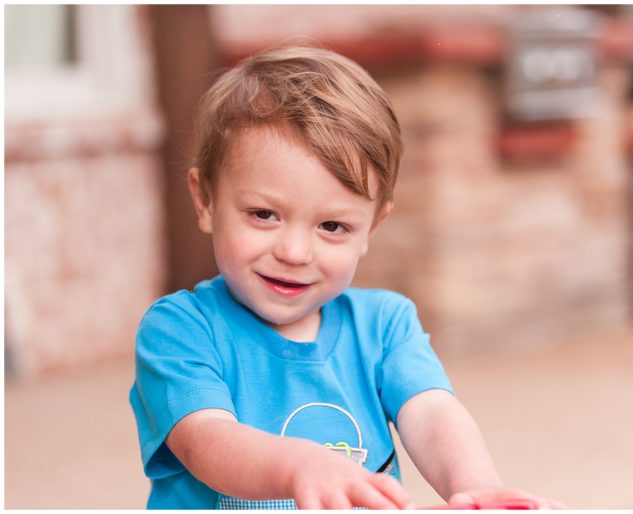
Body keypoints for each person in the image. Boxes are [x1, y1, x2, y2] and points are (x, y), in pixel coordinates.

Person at [129, 46, 563, 510]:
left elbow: (432, 413)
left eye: (332, 226)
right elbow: (207, 442)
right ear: (206, 201)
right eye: (264, 214)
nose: (294, 253)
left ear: (371, 228)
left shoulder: (385, 324)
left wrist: (475, 486)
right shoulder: (180, 330)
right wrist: (299, 467)